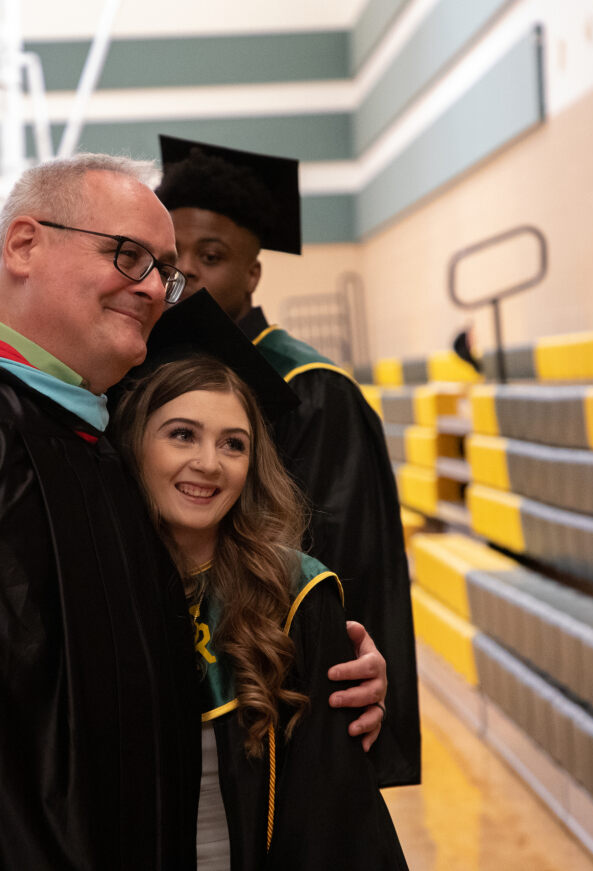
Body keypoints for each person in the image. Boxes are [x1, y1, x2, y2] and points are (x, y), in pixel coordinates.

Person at [0, 154, 386, 869]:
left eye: (164, 271)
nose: (154, 288)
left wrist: (318, 654)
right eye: (128, 256)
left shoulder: (93, 435)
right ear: (24, 244)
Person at [156, 136, 421, 785]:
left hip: (279, 701)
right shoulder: (141, 370)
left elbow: (349, 569)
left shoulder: (311, 388)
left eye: (211, 257)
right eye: (171, 257)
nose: (186, 273)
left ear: (252, 274)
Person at [112, 292, 409, 870]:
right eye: (181, 435)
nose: (209, 463)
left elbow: (333, 816)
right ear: (134, 441)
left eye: (233, 443)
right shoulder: (96, 582)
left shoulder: (295, 596)